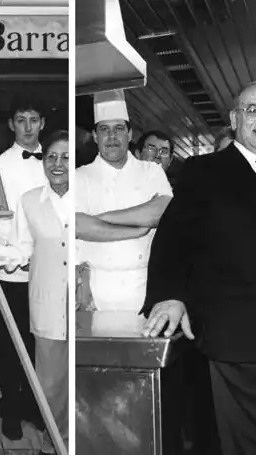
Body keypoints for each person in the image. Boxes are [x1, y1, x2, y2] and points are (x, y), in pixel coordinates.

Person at [141, 81, 256, 455]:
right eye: (253, 110)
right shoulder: (205, 171)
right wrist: (171, 294)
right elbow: (173, 239)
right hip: (234, 336)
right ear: (234, 118)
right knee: (247, 444)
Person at [0, 130, 70, 455]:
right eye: (52, 157)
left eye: (66, 157)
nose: (57, 163)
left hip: (88, 307)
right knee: (51, 383)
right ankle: (52, 444)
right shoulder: (29, 200)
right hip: (48, 305)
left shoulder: (89, 196)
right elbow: (21, 250)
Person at [75, 89, 173, 313]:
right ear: (95, 135)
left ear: (129, 135)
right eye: (104, 130)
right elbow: (78, 225)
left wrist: (99, 221)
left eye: (118, 129)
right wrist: (137, 228)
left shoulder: (151, 171)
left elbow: (162, 211)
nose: (111, 137)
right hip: (95, 291)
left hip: (145, 286)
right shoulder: (80, 176)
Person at [0, 96, 48, 439]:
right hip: (11, 272)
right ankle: (10, 407)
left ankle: (34, 405)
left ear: (42, 124)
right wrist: (24, 251)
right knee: (11, 344)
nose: (27, 127)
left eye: (33, 119)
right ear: (11, 125)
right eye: (21, 120)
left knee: (41, 342)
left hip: (49, 272)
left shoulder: (54, 162)